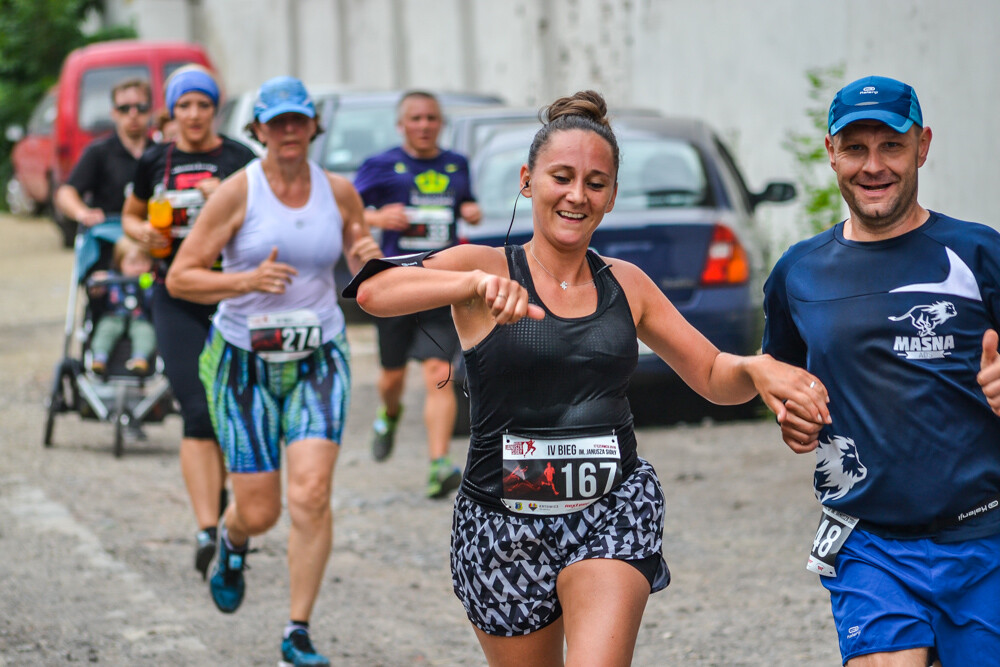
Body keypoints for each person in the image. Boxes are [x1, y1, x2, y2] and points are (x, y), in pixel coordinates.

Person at [347, 90, 828, 666]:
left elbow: (711, 376)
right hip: (500, 526)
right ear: (528, 181)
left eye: (596, 182)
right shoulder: (485, 267)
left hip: (610, 511)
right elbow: (374, 291)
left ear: (612, 195)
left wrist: (755, 367)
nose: (578, 195)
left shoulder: (627, 284)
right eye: (561, 176)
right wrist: (469, 285)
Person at [763, 75, 1000, 666]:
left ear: (922, 146)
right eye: (856, 148)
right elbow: (782, 377)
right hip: (868, 542)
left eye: (891, 146)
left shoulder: (979, 254)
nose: (874, 166)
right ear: (831, 153)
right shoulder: (798, 273)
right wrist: (790, 415)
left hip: (984, 538)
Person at [166, 76, 380, 667]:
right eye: (275, 122)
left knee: (310, 494)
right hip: (243, 362)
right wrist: (244, 280)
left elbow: (361, 244)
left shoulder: (337, 190)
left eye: (298, 120)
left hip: (318, 357)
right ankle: (234, 541)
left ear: (313, 126)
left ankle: (297, 632)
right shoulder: (237, 193)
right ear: (257, 130)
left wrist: (367, 255)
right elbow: (180, 277)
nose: (288, 131)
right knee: (260, 511)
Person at [122, 65, 255, 581]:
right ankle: (207, 529)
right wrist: (142, 238)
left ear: (214, 109)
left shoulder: (239, 160)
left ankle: (231, 516)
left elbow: (262, 217)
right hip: (175, 296)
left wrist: (224, 204)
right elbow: (132, 214)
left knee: (232, 408)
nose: (194, 115)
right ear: (172, 113)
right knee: (196, 408)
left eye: (203, 105)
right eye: (184, 107)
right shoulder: (156, 158)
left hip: (232, 298)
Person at [353, 90, 483, 498]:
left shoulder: (456, 164)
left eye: (431, 118)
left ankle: (438, 464)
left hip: (441, 280)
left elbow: (465, 202)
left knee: (437, 373)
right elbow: (345, 210)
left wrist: (471, 210)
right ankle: (389, 414)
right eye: (416, 119)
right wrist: (376, 216)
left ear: (440, 123)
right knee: (392, 377)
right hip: (395, 281)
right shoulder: (380, 165)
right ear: (402, 124)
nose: (424, 125)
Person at [55, 78, 153, 229]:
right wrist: (82, 213)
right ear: (114, 113)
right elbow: (66, 192)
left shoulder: (160, 152)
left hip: (151, 232)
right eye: (124, 108)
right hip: (110, 234)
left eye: (140, 107)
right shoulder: (99, 152)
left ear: (150, 110)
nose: (133, 114)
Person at [86, 235, 155, 375]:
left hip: (139, 318)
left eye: (144, 262)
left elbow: (153, 300)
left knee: (146, 332)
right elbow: (96, 292)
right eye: (133, 263)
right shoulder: (111, 278)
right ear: (120, 262)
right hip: (114, 316)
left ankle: (140, 358)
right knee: (105, 330)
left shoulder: (149, 281)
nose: (139, 268)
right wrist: (97, 286)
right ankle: (99, 358)